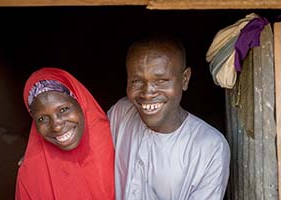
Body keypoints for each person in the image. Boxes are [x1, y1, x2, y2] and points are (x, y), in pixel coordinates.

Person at [107, 34, 231, 200]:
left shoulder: (210, 146)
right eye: (137, 81)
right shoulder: (121, 113)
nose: (147, 93)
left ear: (185, 79)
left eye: (161, 81)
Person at [15, 67, 115, 200]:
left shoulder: (117, 138)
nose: (56, 126)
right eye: (42, 119)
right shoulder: (31, 174)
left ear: (80, 102)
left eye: (63, 110)